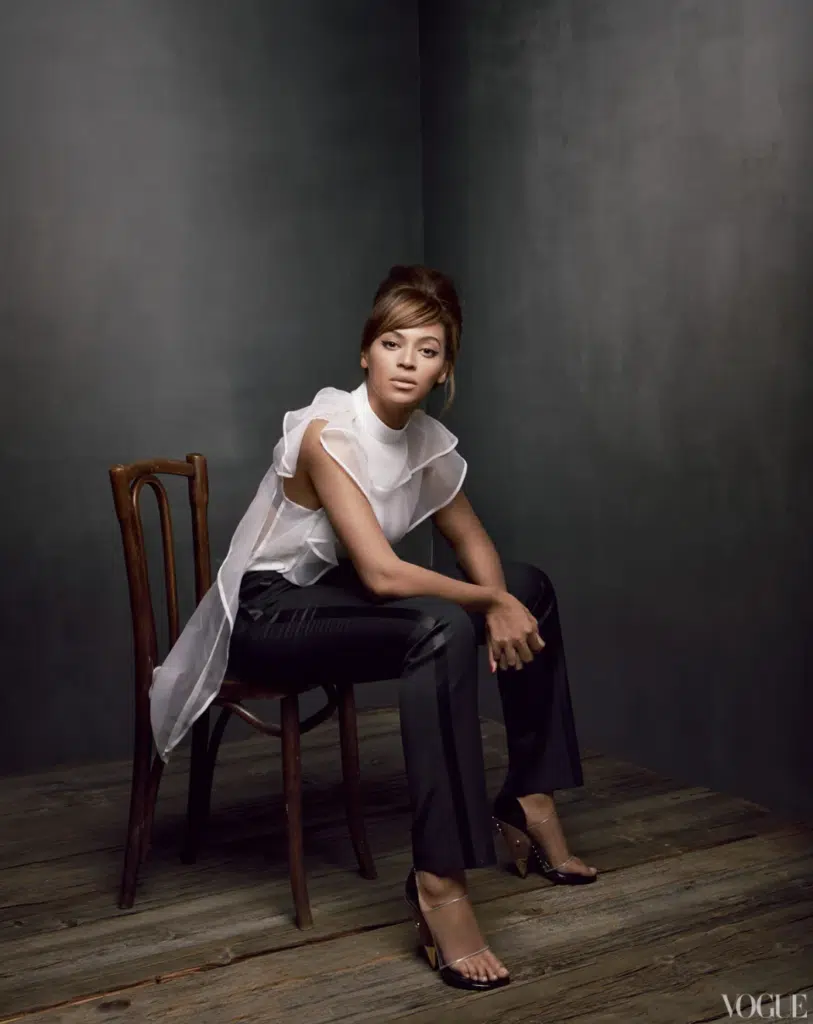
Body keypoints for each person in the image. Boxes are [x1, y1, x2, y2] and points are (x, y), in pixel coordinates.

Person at [149, 264, 597, 993]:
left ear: (445, 367)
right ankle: (438, 885)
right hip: (268, 615)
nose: (407, 361)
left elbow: (471, 537)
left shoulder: (423, 443)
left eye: (427, 350)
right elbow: (384, 576)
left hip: (330, 599)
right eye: (393, 343)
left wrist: (499, 595)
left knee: (528, 586)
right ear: (366, 351)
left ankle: (528, 793)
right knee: (441, 627)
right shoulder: (328, 432)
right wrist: (485, 606)